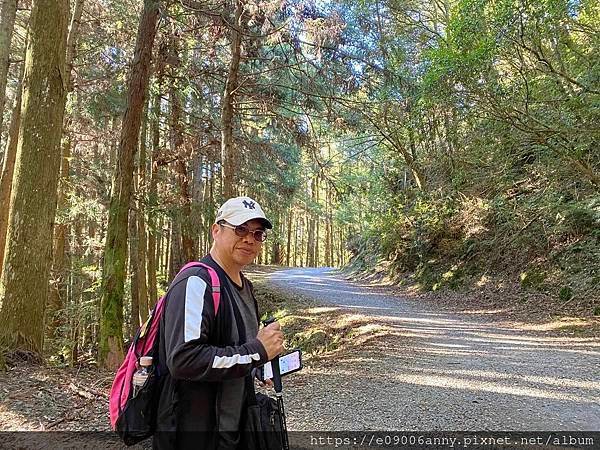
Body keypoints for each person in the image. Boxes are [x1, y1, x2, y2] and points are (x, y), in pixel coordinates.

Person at [154, 196, 285, 449]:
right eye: (240, 229)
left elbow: (234, 348)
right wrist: (257, 352)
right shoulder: (195, 282)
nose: (249, 239)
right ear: (216, 230)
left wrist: (258, 365)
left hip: (233, 430)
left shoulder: (245, 287)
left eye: (257, 234)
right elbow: (184, 359)